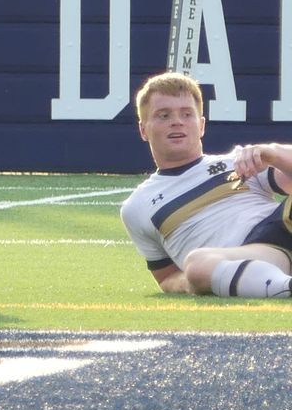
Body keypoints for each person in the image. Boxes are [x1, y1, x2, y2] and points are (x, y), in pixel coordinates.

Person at [116, 73, 292, 298]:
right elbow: (168, 278)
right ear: (143, 130)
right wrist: (194, 279)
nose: (176, 121)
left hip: (281, 225)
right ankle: (282, 286)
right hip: (259, 256)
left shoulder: (236, 160)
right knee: (198, 264)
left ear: (201, 125)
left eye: (187, 114)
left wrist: (273, 153)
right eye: (163, 115)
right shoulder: (136, 207)